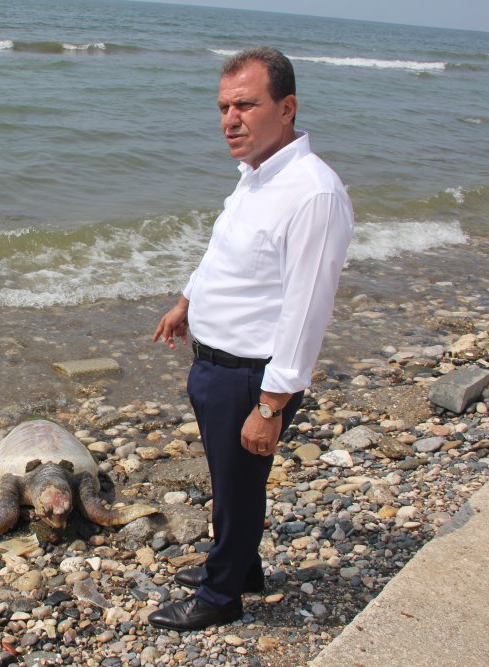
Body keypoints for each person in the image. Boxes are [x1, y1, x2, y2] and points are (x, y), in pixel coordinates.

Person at [149, 46, 353, 632]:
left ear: (286, 108)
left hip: (251, 377)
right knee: (228, 477)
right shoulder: (256, 177)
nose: (230, 120)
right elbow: (226, 254)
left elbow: (307, 311)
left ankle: (221, 597)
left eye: (245, 105)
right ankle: (243, 569)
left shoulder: (312, 193)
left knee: (238, 488)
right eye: (223, 108)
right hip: (214, 363)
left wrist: (270, 405)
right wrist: (187, 302)